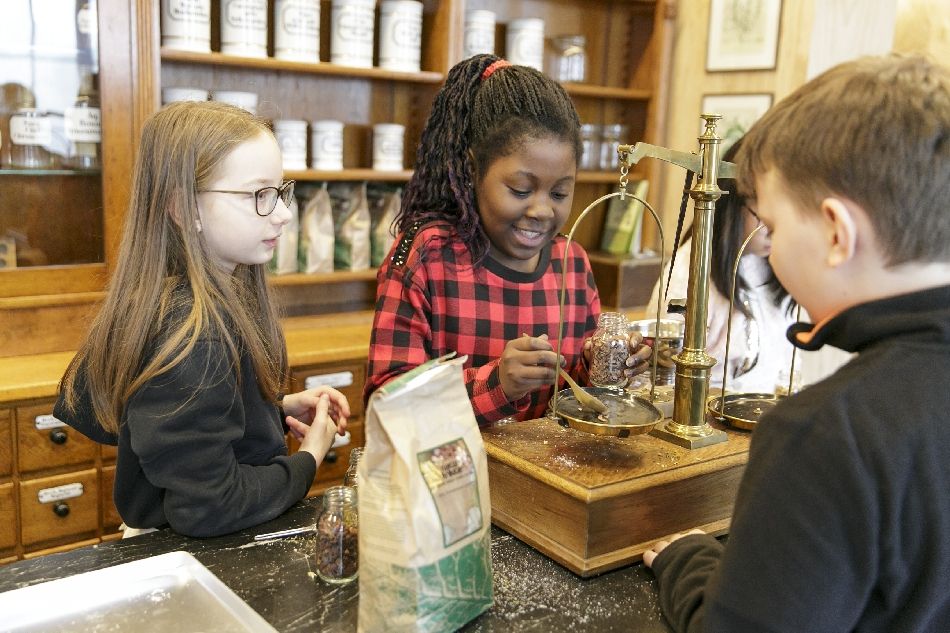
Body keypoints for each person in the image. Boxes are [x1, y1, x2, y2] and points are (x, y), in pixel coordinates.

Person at [643, 54, 950, 632]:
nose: (771, 247)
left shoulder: (825, 435)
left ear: (836, 233)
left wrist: (691, 564)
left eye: (777, 226)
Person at [54, 101, 350, 538]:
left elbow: (184, 427)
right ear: (184, 209)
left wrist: (271, 408)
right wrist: (309, 456)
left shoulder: (186, 304)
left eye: (280, 191)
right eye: (259, 195)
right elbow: (210, 506)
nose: (284, 213)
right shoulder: (193, 338)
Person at [363, 54, 650, 425]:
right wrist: (497, 384)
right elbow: (385, 404)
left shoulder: (571, 263)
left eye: (560, 193)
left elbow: (576, 391)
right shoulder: (429, 257)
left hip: (550, 462)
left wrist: (605, 364)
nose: (542, 210)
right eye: (520, 189)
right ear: (472, 171)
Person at [645, 138, 795, 394]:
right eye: (764, 217)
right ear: (733, 205)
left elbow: (783, 361)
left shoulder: (769, 264)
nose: (774, 230)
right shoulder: (690, 273)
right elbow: (665, 378)